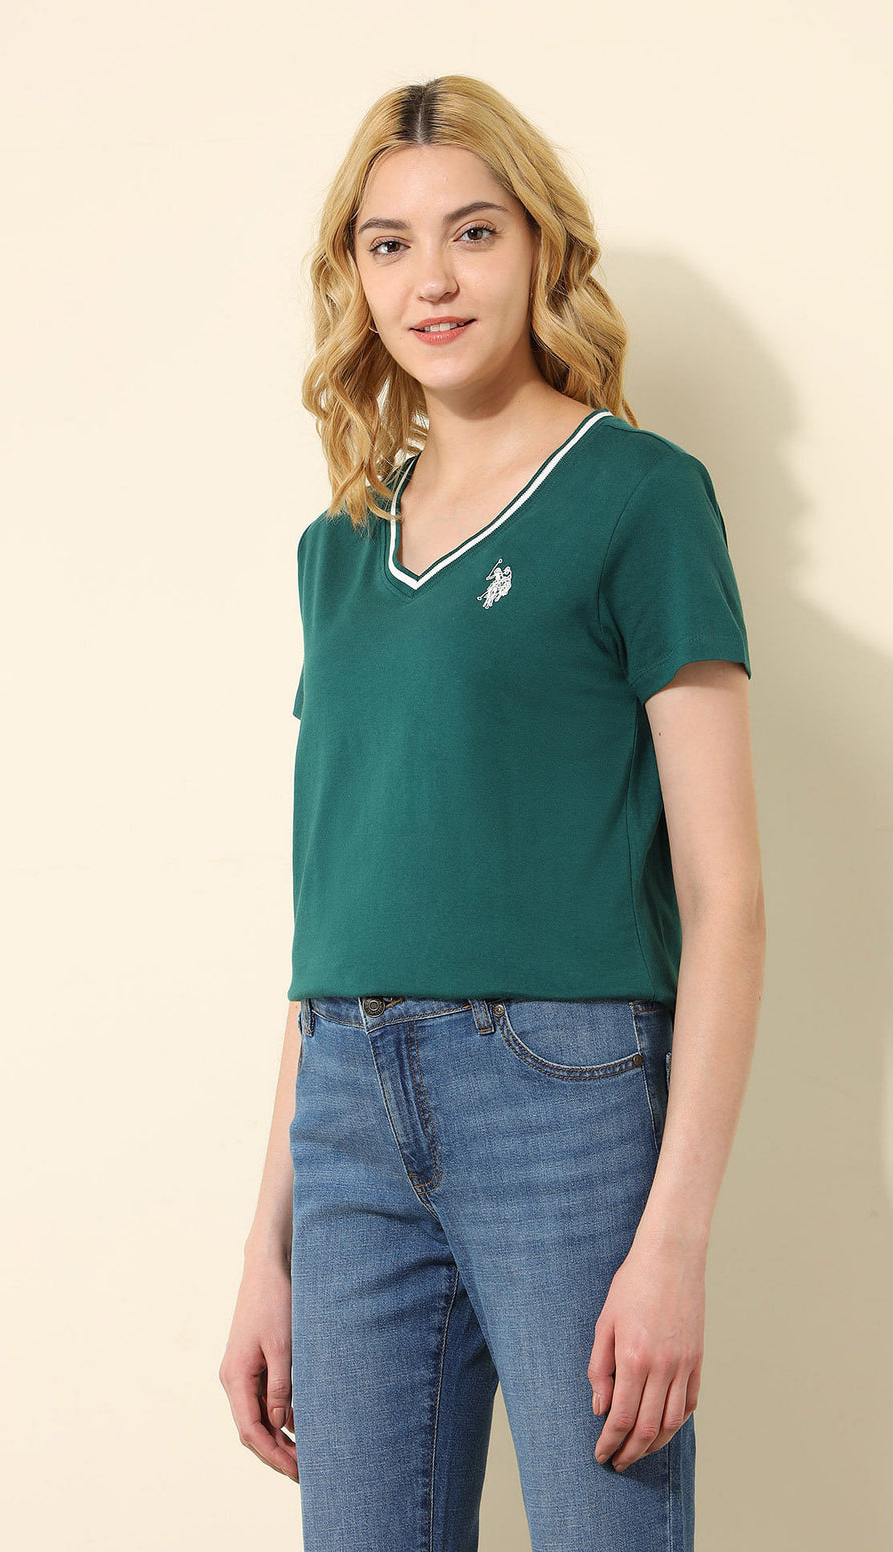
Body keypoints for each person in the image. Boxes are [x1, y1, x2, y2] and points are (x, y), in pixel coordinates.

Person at [220, 74, 766, 1552]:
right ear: (353, 276)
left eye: (472, 232)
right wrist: (268, 1244)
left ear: (540, 248)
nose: (433, 281)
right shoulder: (337, 550)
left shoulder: (640, 498)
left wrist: (674, 1241)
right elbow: (334, 908)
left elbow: (726, 897)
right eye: (388, 244)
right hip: (346, 1106)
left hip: (563, 1097)